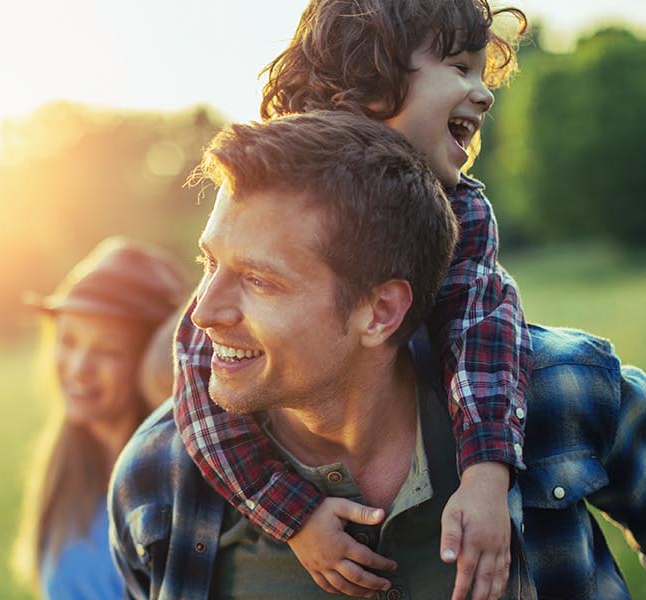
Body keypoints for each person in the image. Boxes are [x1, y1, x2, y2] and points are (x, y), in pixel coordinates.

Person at [109, 111, 646, 599]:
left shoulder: (565, 392)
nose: (203, 312)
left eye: (259, 281)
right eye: (209, 263)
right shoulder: (156, 478)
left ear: (381, 311)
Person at [173, 1, 529, 597]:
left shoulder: (463, 209)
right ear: (369, 81)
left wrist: (486, 476)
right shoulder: (269, 203)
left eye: (478, 71)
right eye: (459, 68)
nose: (483, 93)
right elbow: (200, 374)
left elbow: (481, 326)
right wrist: (294, 515)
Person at [12, 237, 189, 599]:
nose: (79, 368)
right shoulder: (64, 466)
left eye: (107, 351)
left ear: (152, 361)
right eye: (68, 341)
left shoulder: (177, 481)